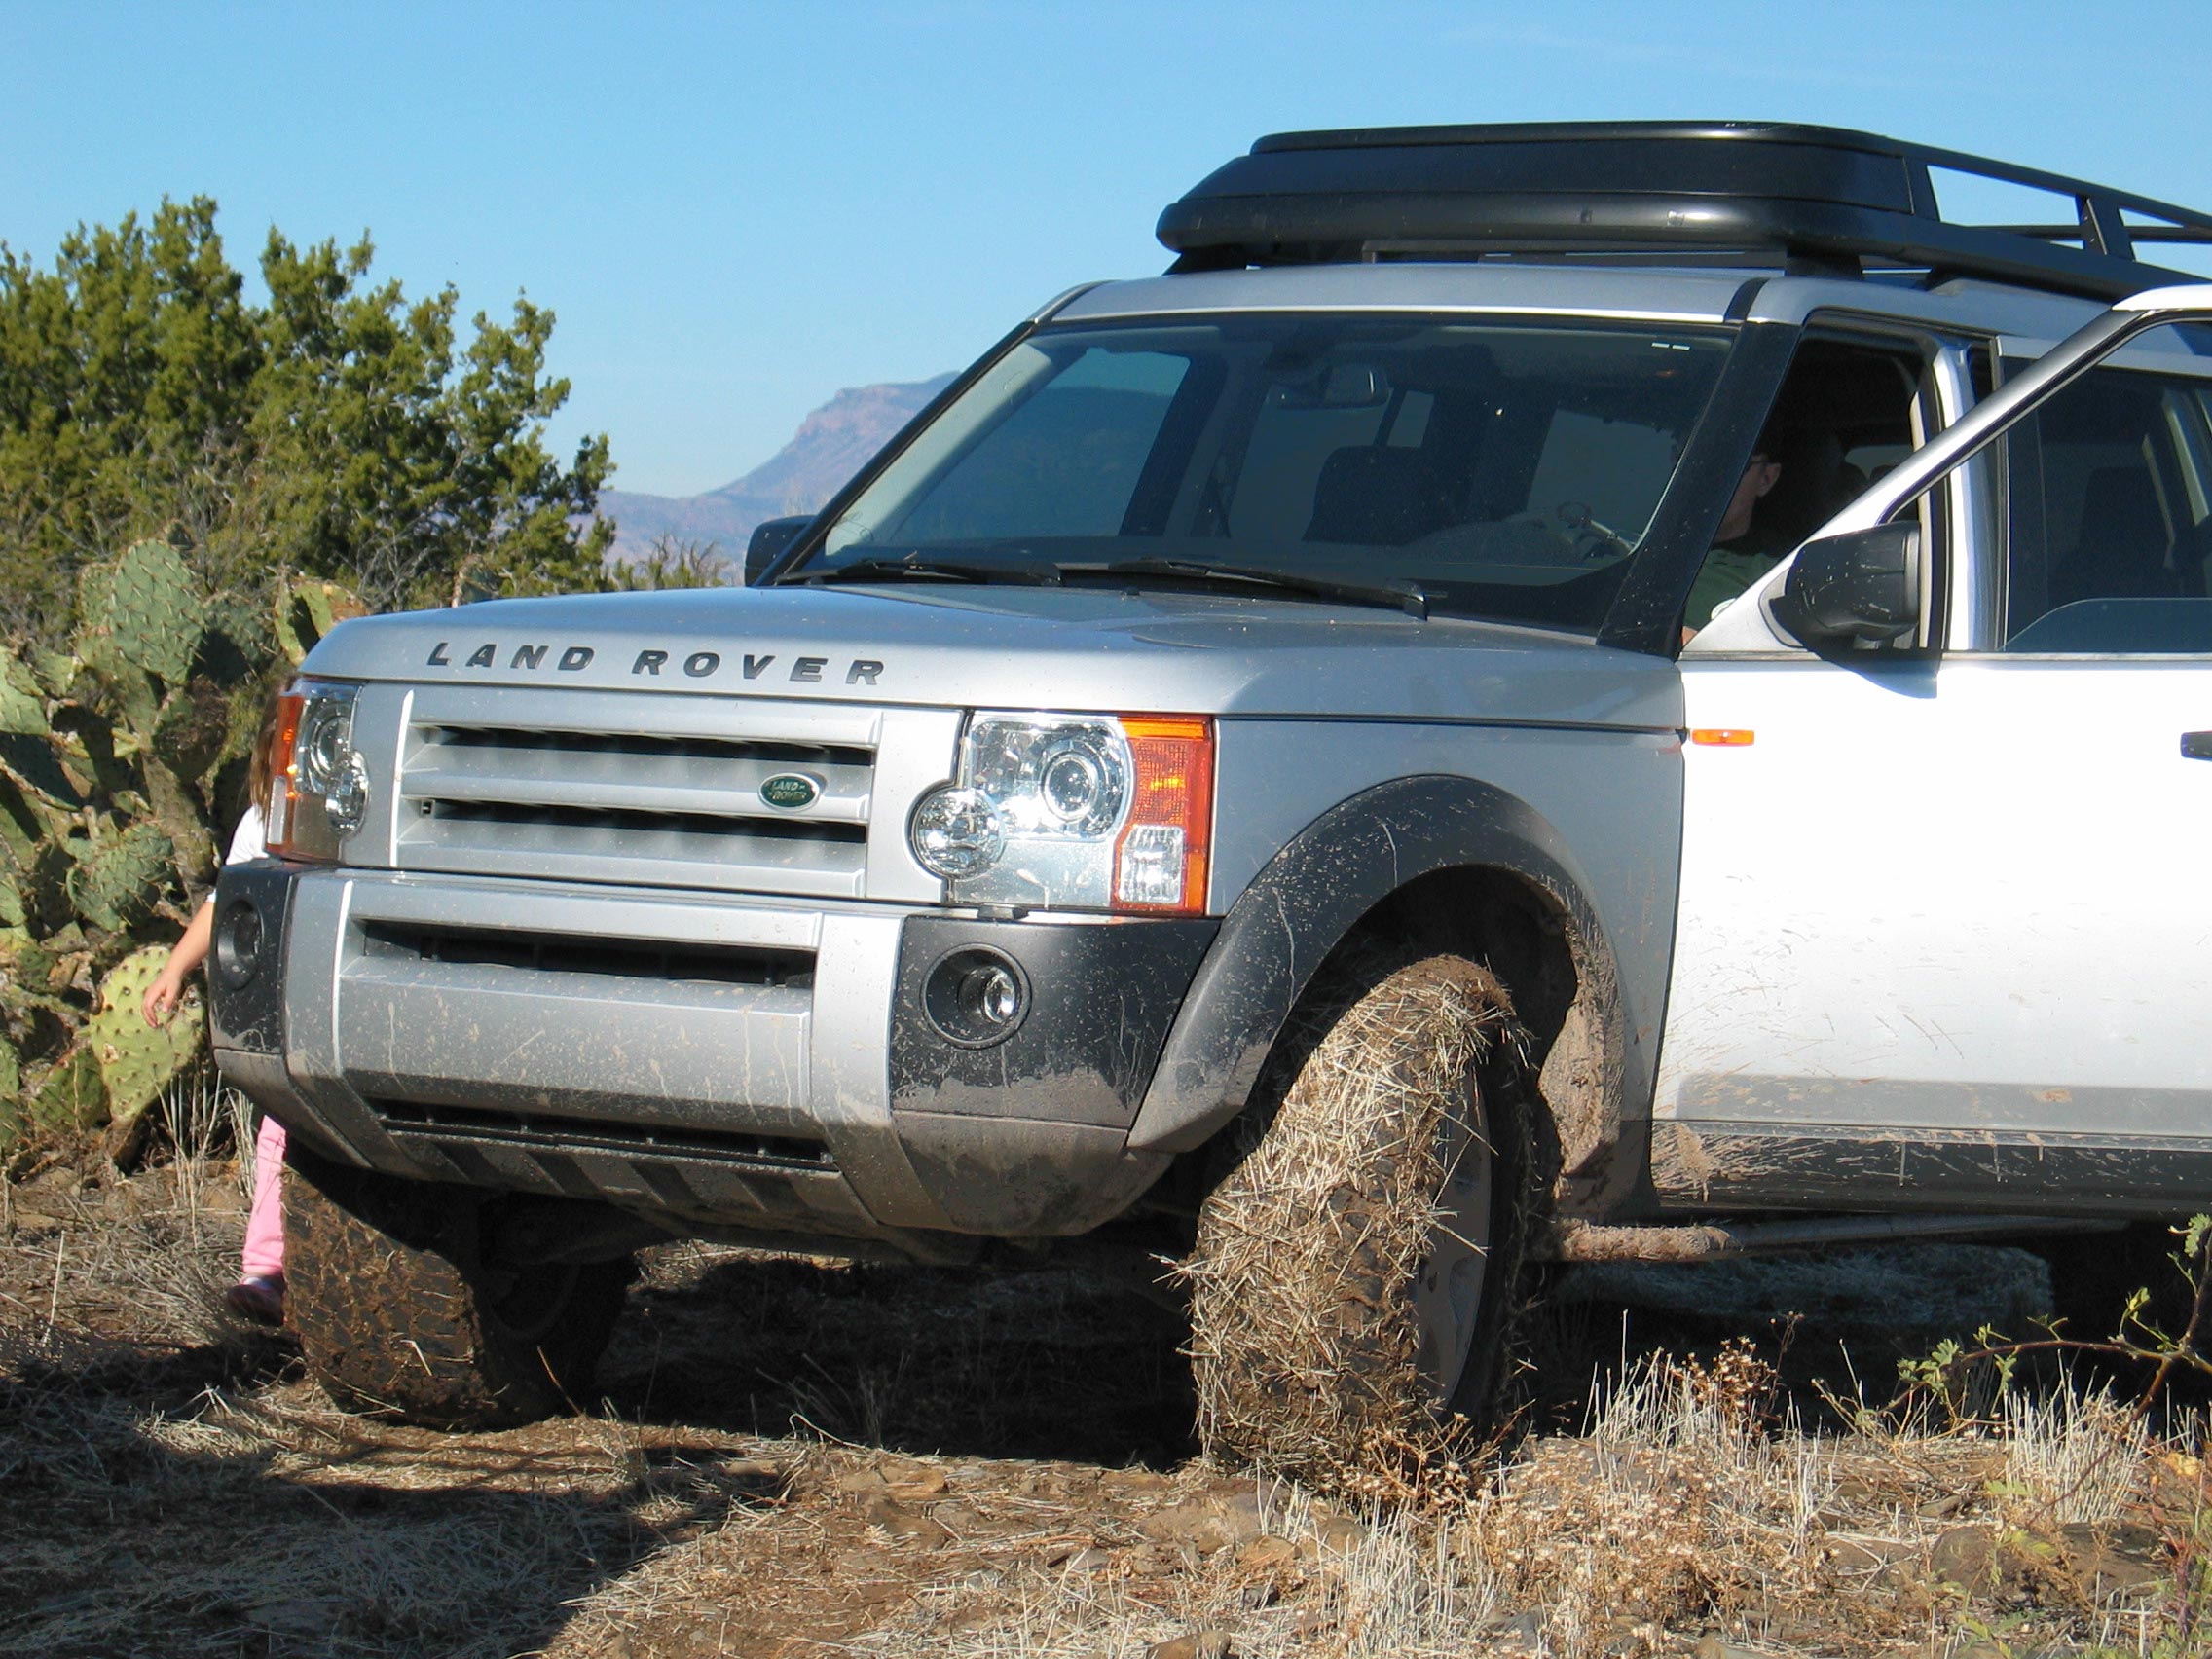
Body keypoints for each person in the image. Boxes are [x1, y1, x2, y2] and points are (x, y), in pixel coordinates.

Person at [144, 687, 289, 1326]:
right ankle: (265, 1273)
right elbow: (223, 901)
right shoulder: (264, 820)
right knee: (280, 1131)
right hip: (285, 1007)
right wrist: (175, 968)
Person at [1682, 448, 1787, 637]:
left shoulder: (1783, 574)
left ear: (1766, 478)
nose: (1709, 477)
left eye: (1731, 463)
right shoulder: (1631, 549)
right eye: (1692, 459)